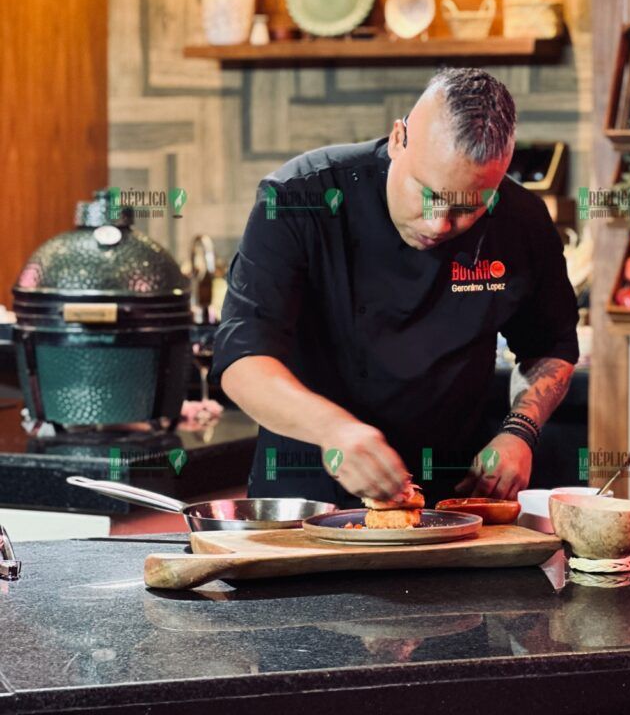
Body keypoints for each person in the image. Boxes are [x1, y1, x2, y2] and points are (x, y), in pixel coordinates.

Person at [210, 67, 578, 506]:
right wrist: (334, 430)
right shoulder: (297, 198)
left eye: (468, 208)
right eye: (428, 193)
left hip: (452, 507)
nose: (439, 224)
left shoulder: (523, 221)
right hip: (305, 503)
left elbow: (550, 347)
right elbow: (242, 360)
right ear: (399, 138)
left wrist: (520, 430)